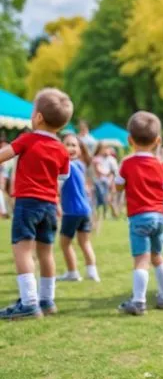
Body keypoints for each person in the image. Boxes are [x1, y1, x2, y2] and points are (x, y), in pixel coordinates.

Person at [0, 88, 72, 319]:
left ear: (38, 117)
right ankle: (47, 300)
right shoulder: (62, 149)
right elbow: (62, 179)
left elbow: (5, 155)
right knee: (46, 253)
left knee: (22, 251)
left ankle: (29, 303)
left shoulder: (28, 140)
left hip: (27, 202)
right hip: (50, 205)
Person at [115, 111, 163, 315]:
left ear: (130, 140)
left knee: (141, 260)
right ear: (157, 140)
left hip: (139, 217)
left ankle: (138, 301)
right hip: (160, 216)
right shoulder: (161, 164)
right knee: (158, 256)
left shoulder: (127, 163)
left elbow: (118, 186)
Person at [57, 134, 100, 282]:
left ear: (80, 150)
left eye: (74, 145)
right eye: (67, 144)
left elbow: (57, 186)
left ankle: (72, 272)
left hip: (72, 211)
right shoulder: (80, 165)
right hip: (85, 210)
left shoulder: (66, 165)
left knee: (65, 243)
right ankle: (92, 272)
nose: (70, 148)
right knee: (84, 242)